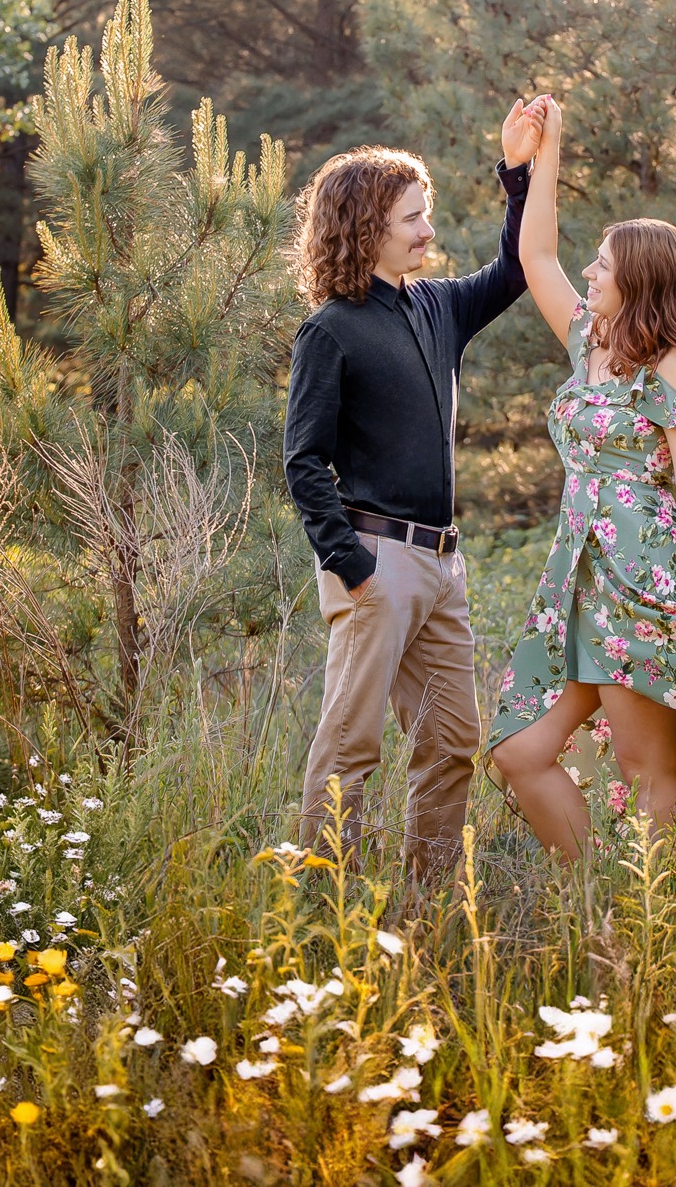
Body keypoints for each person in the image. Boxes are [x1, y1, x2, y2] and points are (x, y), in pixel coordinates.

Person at [487, 96, 676, 857]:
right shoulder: (588, 342)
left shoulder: (671, 364)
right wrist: (544, 151)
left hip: (642, 574)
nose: (589, 271)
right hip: (577, 577)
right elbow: (536, 257)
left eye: (605, 266)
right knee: (517, 752)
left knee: (644, 770)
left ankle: (646, 931)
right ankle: (596, 896)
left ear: (639, 283)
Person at [285, 100, 545, 878]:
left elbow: (516, 268)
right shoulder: (330, 329)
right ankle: (320, 913)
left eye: (424, 214)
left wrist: (520, 174)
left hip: (442, 568)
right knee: (349, 748)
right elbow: (304, 461)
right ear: (368, 227)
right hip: (375, 563)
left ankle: (424, 911)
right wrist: (352, 567)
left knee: (448, 744)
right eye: (412, 218)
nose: (427, 230)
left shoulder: (436, 307)